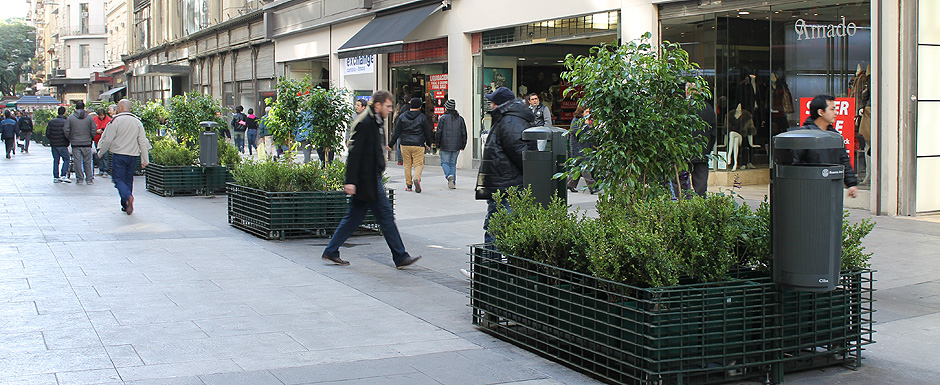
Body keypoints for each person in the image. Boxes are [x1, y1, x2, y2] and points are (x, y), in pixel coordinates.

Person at [321, 90, 421, 269]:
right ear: (378, 105)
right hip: (366, 180)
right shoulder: (365, 122)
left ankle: (331, 250)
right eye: (388, 106)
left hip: (368, 179)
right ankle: (400, 256)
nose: (391, 110)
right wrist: (350, 181)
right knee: (385, 216)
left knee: (354, 217)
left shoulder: (374, 120)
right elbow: (354, 154)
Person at [476, 87, 535, 243]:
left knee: (497, 228)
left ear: (500, 104)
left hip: (506, 185)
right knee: (496, 226)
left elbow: (520, 154)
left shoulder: (510, 121)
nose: (490, 105)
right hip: (504, 183)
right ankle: (493, 263)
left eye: (492, 102)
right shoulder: (507, 119)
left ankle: (492, 264)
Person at [795, 94, 859, 198]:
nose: (835, 113)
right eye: (832, 109)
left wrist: (851, 184)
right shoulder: (804, 136)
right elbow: (795, 164)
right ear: (821, 112)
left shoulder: (835, 136)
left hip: (832, 190)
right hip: (809, 191)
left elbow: (844, 160)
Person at [97, 99, 151, 215]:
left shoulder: (115, 121)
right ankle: (125, 204)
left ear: (120, 108)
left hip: (119, 154)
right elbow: (142, 141)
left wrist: (101, 152)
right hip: (133, 155)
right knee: (128, 179)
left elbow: (109, 139)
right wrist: (145, 159)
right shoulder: (137, 122)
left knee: (117, 179)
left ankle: (127, 196)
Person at [389, 97, 432, 193]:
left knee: (407, 165)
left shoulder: (402, 116)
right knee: (418, 164)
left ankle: (409, 185)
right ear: (420, 106)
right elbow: (427, 132)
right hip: (418, 144)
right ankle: (417, 178)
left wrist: (391, 144)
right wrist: (429, 143)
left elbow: (396, 132)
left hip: (405, 144)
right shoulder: (422, 117)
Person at [689, 84, 717, 197]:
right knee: (701, 186)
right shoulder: (708, 108)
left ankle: (682, 205)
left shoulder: (683, 108)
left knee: (681, 184)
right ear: (701, 92)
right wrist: (708, 149)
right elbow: (713, 132)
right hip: (702, 151)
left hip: (685, 152)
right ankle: (700, 205)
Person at [434, 99, 467, 189]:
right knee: (453, 164)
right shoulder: (460, 119)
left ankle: (449, 176)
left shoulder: (443, 118)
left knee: (444, 162)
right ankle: (453, 182)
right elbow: (464, 132)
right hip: (457, 145)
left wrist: (437, 144)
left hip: (445, 145)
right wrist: (463, 144)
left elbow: (438, 132)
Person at [566, 106, 599, 194]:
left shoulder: (589, 122)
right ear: (581, 112)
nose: (588, 114)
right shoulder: (576, 121)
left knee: (577, 167)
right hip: (578, 148)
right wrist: (587, 125)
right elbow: (579, 133)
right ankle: (592, 186)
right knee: (585, 168)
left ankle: (570, 184)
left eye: (589, 112)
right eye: (586, 112)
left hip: (586, 148)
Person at [64, 101, 98, 184]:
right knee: (88, 161)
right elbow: (94, 129)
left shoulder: (71, 118)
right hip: (87, 142)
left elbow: (66, 130)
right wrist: (91, 137)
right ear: (84, 107)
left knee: (77, 162)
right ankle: (89, 179)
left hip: (75, 143)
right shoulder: (89, 118)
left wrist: (70, 138)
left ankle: (79, 178)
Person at [47, 107, 71, 183]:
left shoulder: (51, 122)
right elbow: (68, 133)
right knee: (66, 159)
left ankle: (56, 177)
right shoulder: (66, 122)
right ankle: (63, 175)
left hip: (54, 144)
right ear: (64, 112)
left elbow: (47, 133)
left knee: (56, 160)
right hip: (63, 144)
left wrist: (52, 139)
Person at [93, 107, 112, 176]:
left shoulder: (109, 120)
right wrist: (96, 131)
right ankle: (101, 169)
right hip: (96, 140)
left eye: (102, 115)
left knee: (106, 156)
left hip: (105, 141)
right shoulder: (95, 119)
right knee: (99, 155)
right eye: (100, 115)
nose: (101, 117)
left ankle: (105, 170)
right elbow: (92, 128)